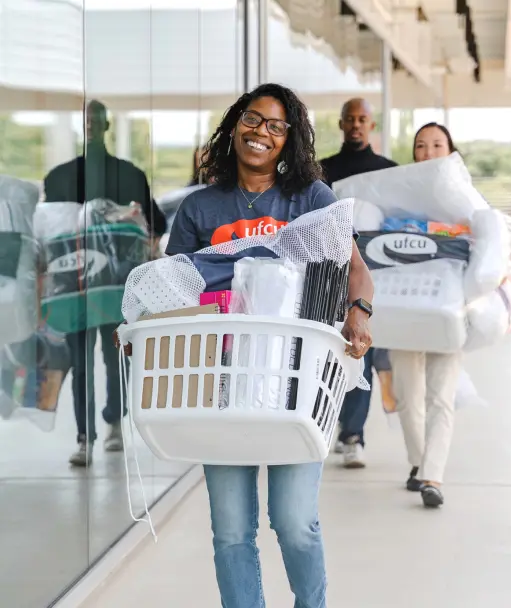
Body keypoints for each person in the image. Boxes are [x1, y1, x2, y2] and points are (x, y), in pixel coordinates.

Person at [163, 83, 373, 608]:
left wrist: (358, 315)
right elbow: (171, 290)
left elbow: (356, 272)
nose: (261, 133)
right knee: (232, 532)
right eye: (253, 120)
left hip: (296, 386)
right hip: (221, 385)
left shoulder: (310, 199)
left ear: (290, 139)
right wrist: (148, 334)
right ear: (235, 124)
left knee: (295, 521)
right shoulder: (198, 208)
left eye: (276, 126)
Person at [44, 100, 166, 467]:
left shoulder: (130, 175)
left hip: (115, 286)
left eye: (97, 120)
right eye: (87, 120)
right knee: (81, 364)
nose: (92, 126)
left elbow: (153, 226)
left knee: (116, 357)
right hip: (74, 286)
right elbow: (50, 231)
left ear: (106, 125)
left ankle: (114, 420)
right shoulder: (59, 177)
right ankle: (85, 436)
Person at [320, 97, 396, 468]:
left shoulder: (389, 173)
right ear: (340, 124)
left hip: (370, 277)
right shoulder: (322, 171)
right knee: (324, 353)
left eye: (362, 119)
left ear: (372, 125)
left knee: (359, 348)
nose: (355, 125)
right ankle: (324, 424)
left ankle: (353, 435)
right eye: (349, 119)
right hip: (325, 273)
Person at [390, 121, 460, 508]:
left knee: (441, 396)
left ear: (450, 151)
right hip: (407, 304)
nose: (429, 151)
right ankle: (419, 463)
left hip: (447, 306)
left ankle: (433, 475)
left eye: (437, 144)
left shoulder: (463, 197)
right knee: (406, 395)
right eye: (421, 145)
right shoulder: (400, 195)